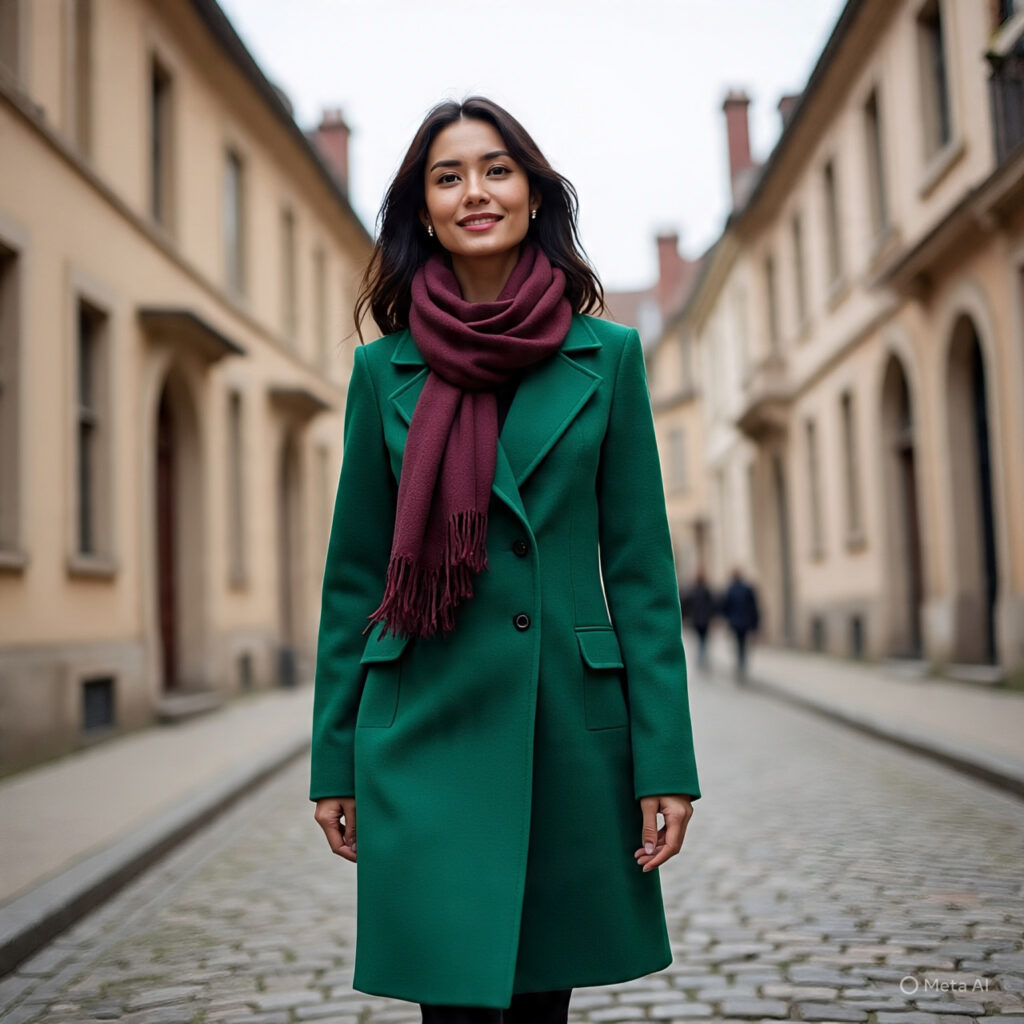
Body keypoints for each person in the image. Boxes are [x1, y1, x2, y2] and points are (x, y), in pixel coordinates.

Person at [310, 96, 702, 1023]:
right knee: (448, 998)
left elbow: (642, 577)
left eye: (496, 169)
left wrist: (666, 762)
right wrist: (334, 761)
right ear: (424, 211)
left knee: (539, 1000)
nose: (475, 192)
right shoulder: (381, 372)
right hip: (423, 723)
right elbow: (354, 578)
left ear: (532, 193)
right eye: (448, 177)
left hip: (562, 723)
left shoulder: (610, 358)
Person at [720, 567, 760, 682]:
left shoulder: (730, 589)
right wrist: (755, 624)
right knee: (743, 644)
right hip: (746, 622)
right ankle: (742, 664)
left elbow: (725, 607)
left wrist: (727, 619)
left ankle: (740, 664)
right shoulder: (747, 589)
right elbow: (753, 607)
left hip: (735, 622)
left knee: (738, 644)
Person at [680, 569, 715, 671]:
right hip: (705, 619)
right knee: (703, 639)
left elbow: (686, 604)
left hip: (696, 619)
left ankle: (701, 656)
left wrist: (686, 616)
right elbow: (711, 605)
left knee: (699, 638)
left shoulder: (693, 591)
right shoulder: (706, 591)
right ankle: (702, 655)